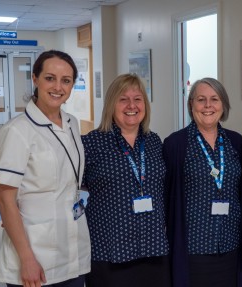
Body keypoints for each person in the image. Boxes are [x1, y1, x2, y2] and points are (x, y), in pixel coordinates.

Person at [0, 50, 90, 287]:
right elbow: (5, 200)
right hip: (34, 256)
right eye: (50, 78)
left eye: (66, 80)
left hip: (71, 250)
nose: (58, 87)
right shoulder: (17, 130)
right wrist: (27, 259)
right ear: (35, 79)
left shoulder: (71, 123)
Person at [81, 73, 170, 287]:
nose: (132, 105)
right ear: (112, 104)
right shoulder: (91, 143)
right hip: (109, 251)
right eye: (123, 99)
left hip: (153, 249)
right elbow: (69, 187)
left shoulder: (154, 142)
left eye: (137, 99)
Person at [163, 77, 242, 287]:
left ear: (223, 105)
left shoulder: (236, 142)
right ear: (191, 105)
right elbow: (166, 197)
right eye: (201, 99)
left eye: (214, 99)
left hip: (230, 245)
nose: (208, 106)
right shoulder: (176, 144)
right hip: (192, 249)